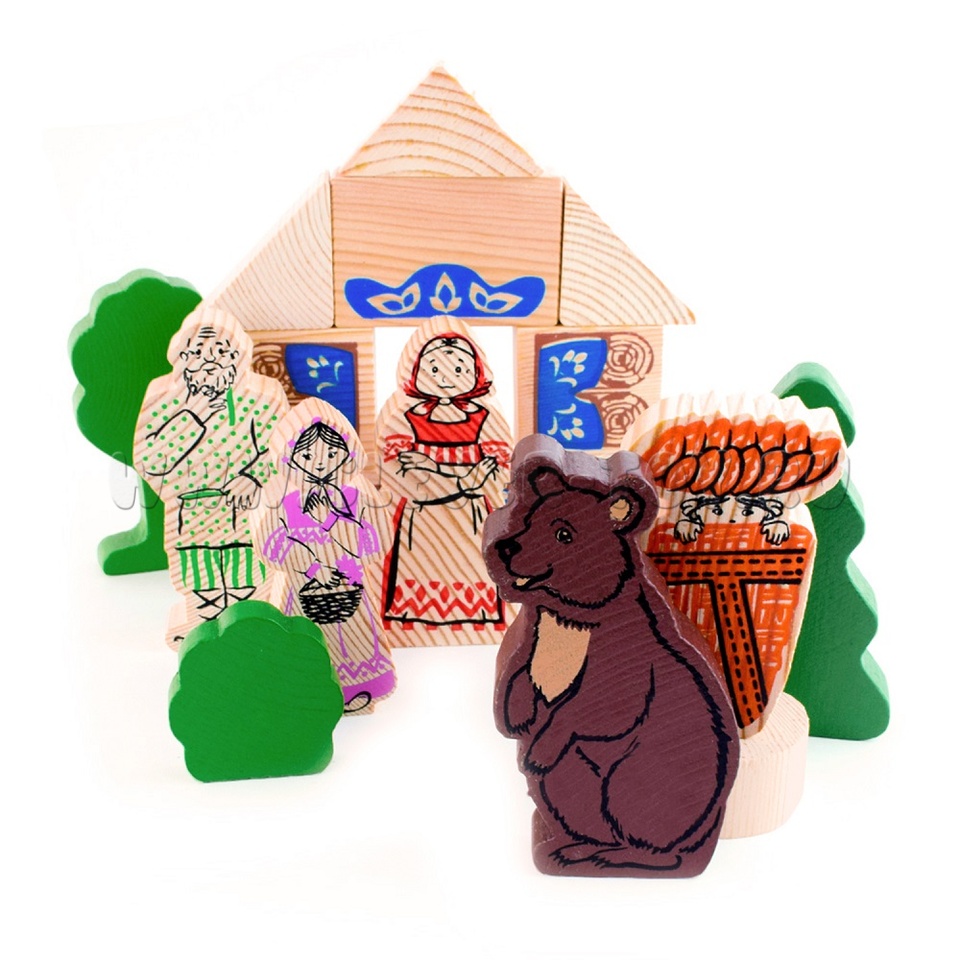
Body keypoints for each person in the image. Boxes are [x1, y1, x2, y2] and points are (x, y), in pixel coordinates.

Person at [135, 307, 288, 643]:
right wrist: (194, 415)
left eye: (221, 351)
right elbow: (150, 461)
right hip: (191, 516)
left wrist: (254, 478)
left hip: (247, 513)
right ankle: (203, 633)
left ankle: (251, 631)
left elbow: (281, 450)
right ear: (181, 357)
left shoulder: (260, 399)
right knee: (200, 580)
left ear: (239, 356)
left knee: (248, 577)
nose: (210, 360)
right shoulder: (163, 399)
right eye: (198, 352)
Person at [260, 410, 396, 713]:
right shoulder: (285, 502)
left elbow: (377, 538)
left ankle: (356, 692)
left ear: (348, 454)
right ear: (289, 458)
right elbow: (273, 545)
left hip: (349, 589)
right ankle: (304, 690)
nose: (320, 463)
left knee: (355, 640)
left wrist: (347, 563)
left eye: (332, 453)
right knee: (304, 641)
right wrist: (312, 568)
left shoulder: (358, 496)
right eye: (308, 455)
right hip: (302, 593)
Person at [380, 330, 510, 637]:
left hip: (471, 519)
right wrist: (465, 480)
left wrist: (434, 469)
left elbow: (497, 478)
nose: (446, 378)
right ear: (415, 373)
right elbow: (402, 480)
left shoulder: (487, 419)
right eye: (434, 369)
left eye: (459, 369)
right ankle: (421, 619)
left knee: (470, 564)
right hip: (422, 521)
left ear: (477, 373)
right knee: (421, 565)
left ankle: (473, 619)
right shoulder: (404, 419)